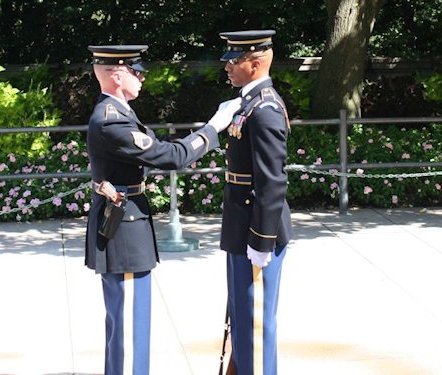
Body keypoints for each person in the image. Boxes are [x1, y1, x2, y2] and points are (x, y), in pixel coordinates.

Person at [84, 44, 241, 375]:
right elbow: (170, 157)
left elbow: (158, 149)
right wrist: (214, 127)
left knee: (131, 319)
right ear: (115, 75)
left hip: (128, 219)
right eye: (135, 70)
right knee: (127, 321)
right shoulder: (111, 121)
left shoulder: (121, 112)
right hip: (122, 228)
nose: (142, 76)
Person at [218, 30, 292, 374]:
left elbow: (272, 182)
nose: (228, 67)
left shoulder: (264, 109)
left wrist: (261, 241)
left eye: (235, 60)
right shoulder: (248, 104)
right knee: (243, 322)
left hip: (254, 231)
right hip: (240, 224)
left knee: (256, 324)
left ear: (256, 62)